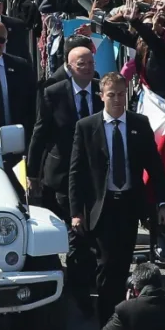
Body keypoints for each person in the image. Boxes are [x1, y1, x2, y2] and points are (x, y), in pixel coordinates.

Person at [69, 73, 165, 326]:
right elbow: (77, 172)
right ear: (101, 96)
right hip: (101, 206)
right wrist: (76, 212)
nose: (117, 100)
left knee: (122, 263)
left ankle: (122, 319)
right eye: (111, 95)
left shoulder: (139, 124)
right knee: (106, 264)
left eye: (121, 95)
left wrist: (162, 203)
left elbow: (154, 167)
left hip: (128, 204)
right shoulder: (87, 127)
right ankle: (108, 323)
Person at [27, 45, 102, 217]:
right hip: (62, 175)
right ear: (69, 67)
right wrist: (32, 174)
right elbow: (40, 134)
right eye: (82, 64)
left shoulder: (103, 92)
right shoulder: (53, 93)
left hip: (95, 175)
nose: (88, 67)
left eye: (91, 63)